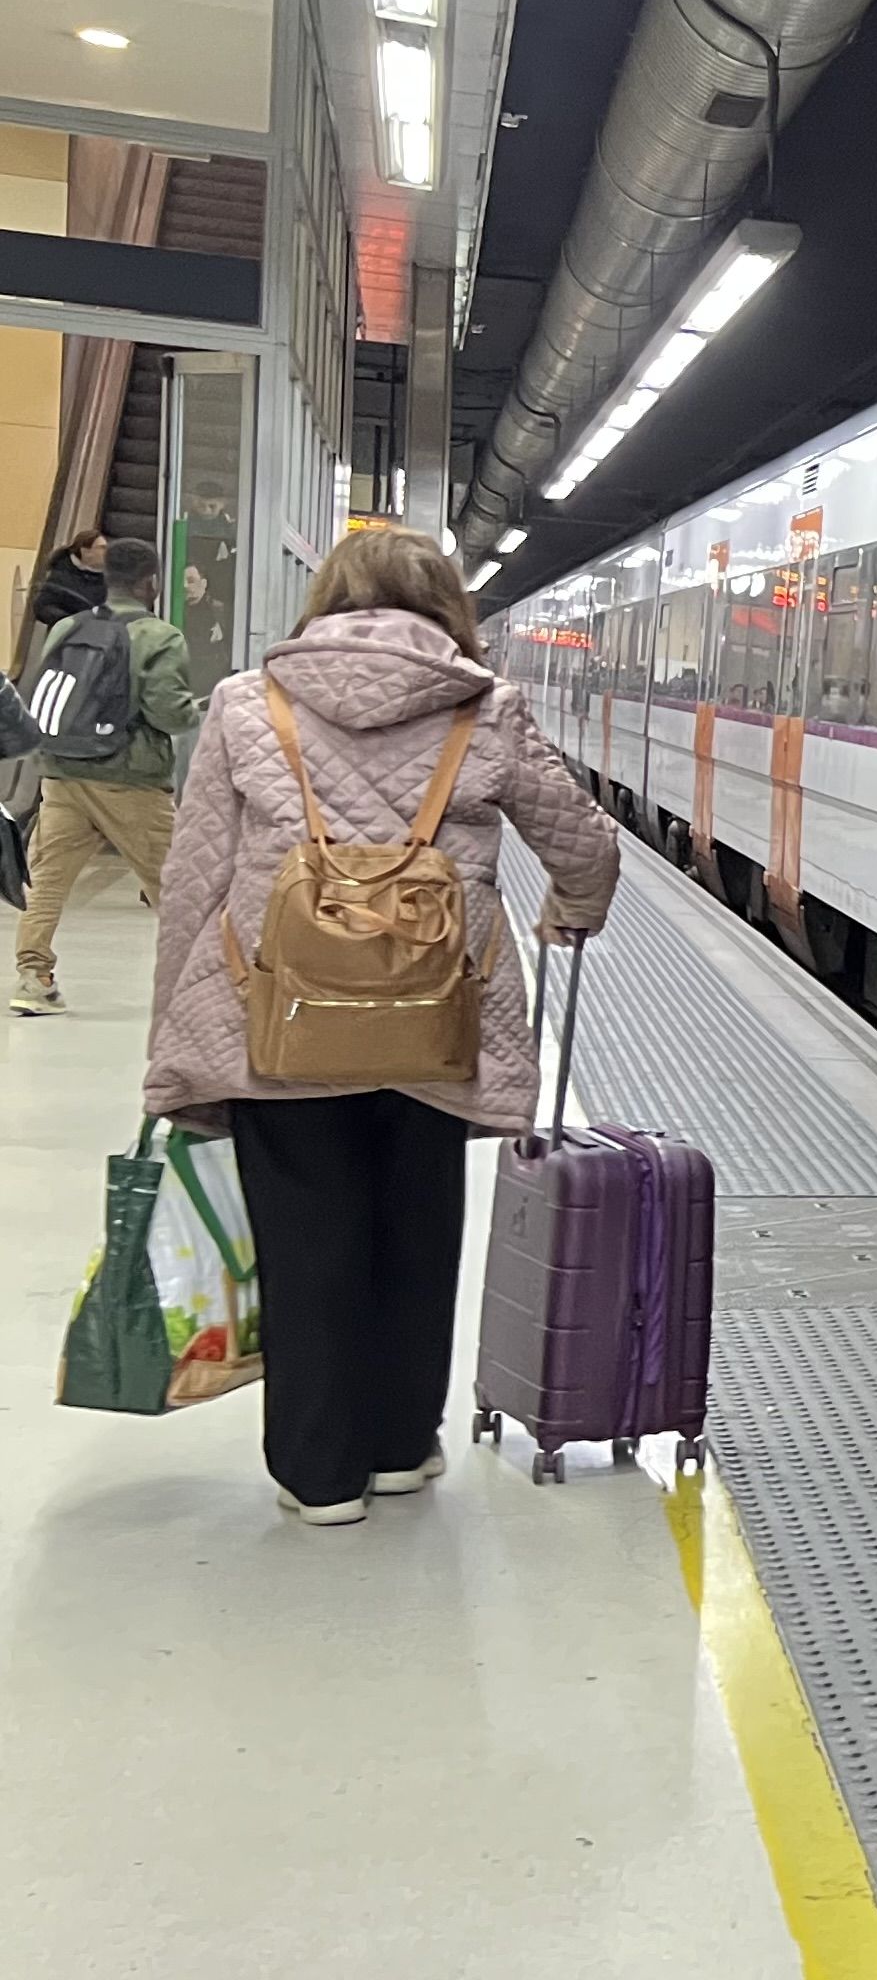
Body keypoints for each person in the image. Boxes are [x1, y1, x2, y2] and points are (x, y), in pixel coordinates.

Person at [141, 526, 620, 1526]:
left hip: (280, 1017)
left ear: (324, 598)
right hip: (434, 1018)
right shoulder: (486, 707)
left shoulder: (244, 703)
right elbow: (584, 842)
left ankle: (321, 1478)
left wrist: (179, 1042)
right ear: (447, 608)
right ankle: (402, 1446)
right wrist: (570, 909)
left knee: (305, 1241)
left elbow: (195, 881)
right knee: (416, 1227)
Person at [12, 535, 195, 1017]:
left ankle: (34, 977)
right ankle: (197, 986)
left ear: (106, 577)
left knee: (48, 879)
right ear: (151, 582)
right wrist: (196, 712)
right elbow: (169, 714)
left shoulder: (68, 627)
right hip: (130, 779)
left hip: (63, 773)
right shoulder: (160, 636)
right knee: (174, 883)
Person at [25, 529, 106, 637]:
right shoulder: (61, 575)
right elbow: (42, 606)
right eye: (101, 548)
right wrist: (68, 621)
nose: (107, 552)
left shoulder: (109, 579)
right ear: (86, 552)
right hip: (66, 640)